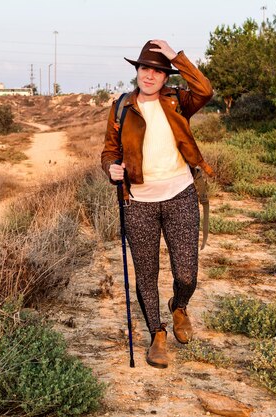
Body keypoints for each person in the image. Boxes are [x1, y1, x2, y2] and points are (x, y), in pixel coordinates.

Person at [101, 40, 214, 368]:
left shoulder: (179, 101)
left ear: (166, 77)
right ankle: (157, 335)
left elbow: (205, 90)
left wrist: (175, 56)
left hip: (180, 194)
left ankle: (179, 306)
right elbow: (110, 150)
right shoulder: (122, 107)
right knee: (146, 274)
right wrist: (111, 168)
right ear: (136, 71)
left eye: (158, 70)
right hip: (138, 201)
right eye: (144, 68)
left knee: (187, 273)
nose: (150, 75)